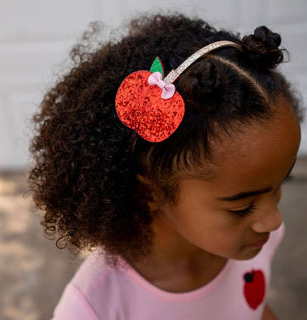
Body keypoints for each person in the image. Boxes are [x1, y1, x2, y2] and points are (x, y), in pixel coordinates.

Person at [28, 13, 303, 320]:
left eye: (280, 184)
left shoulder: (253, 241)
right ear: (151, 190)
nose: (274, 220)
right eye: (241, 207)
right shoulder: (93, 308)